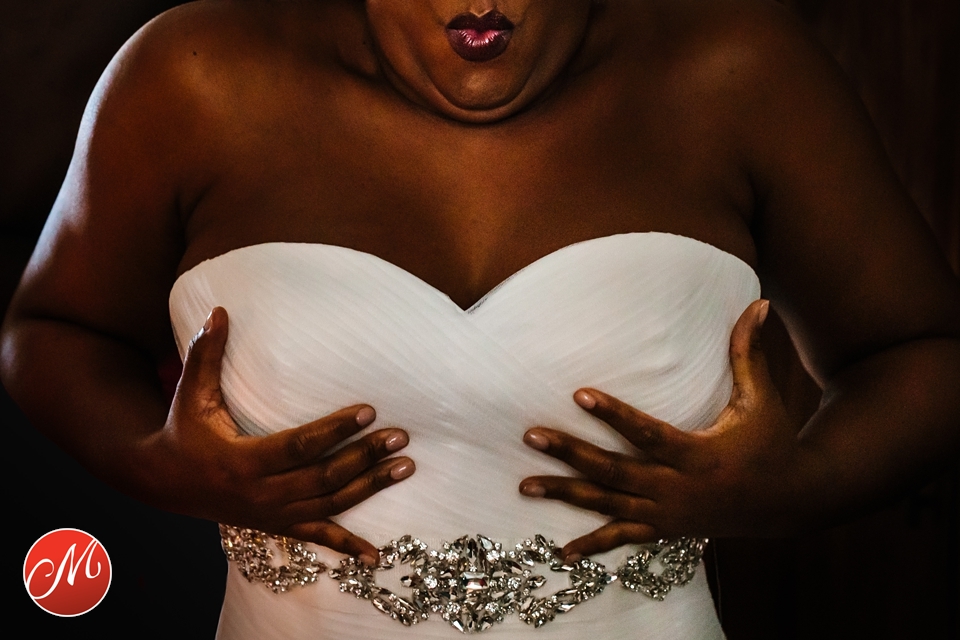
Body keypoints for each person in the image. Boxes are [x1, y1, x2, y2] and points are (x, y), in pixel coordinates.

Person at [3, 0, 958, 637]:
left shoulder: (740, 70)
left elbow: (924, 353)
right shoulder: (191, 74)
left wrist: (798, 487)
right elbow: (53, 331)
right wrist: (152, 464)